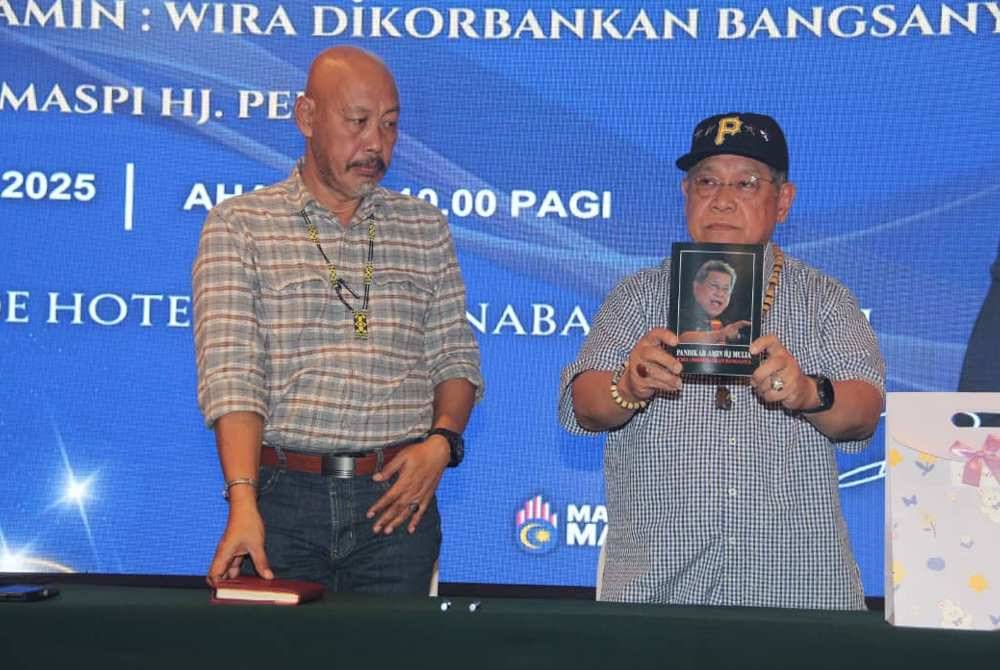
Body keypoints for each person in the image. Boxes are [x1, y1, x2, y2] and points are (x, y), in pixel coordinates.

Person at [559, 112, 884, 609]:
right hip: (660, 594)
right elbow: (583, 405)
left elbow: (863, 412)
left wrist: (807, 392)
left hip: (799, 592)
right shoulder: (639, 296)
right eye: (707, 181)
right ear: (686, 194)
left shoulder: (824, 299)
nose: (723, 199)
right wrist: (628, 385)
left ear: (783, 201)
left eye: (747, 183)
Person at [193, 46, 482, 594]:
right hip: (281, 500)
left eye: (390, 126)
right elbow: (233, 378)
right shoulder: (240, 226)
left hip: (397, 503)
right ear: (306, 117)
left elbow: (456, 357)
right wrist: (243, 501)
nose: (376, 143)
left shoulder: (425, 228)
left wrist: (442, 444)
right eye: (358, 122)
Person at [677, 259, 751, 344]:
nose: (720, 293)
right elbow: (680, 339)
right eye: (714, 286)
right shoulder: (679, 315)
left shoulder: (731, 326)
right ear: (696, 287)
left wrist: (736, 337)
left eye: (726, 289)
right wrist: (720, 335)